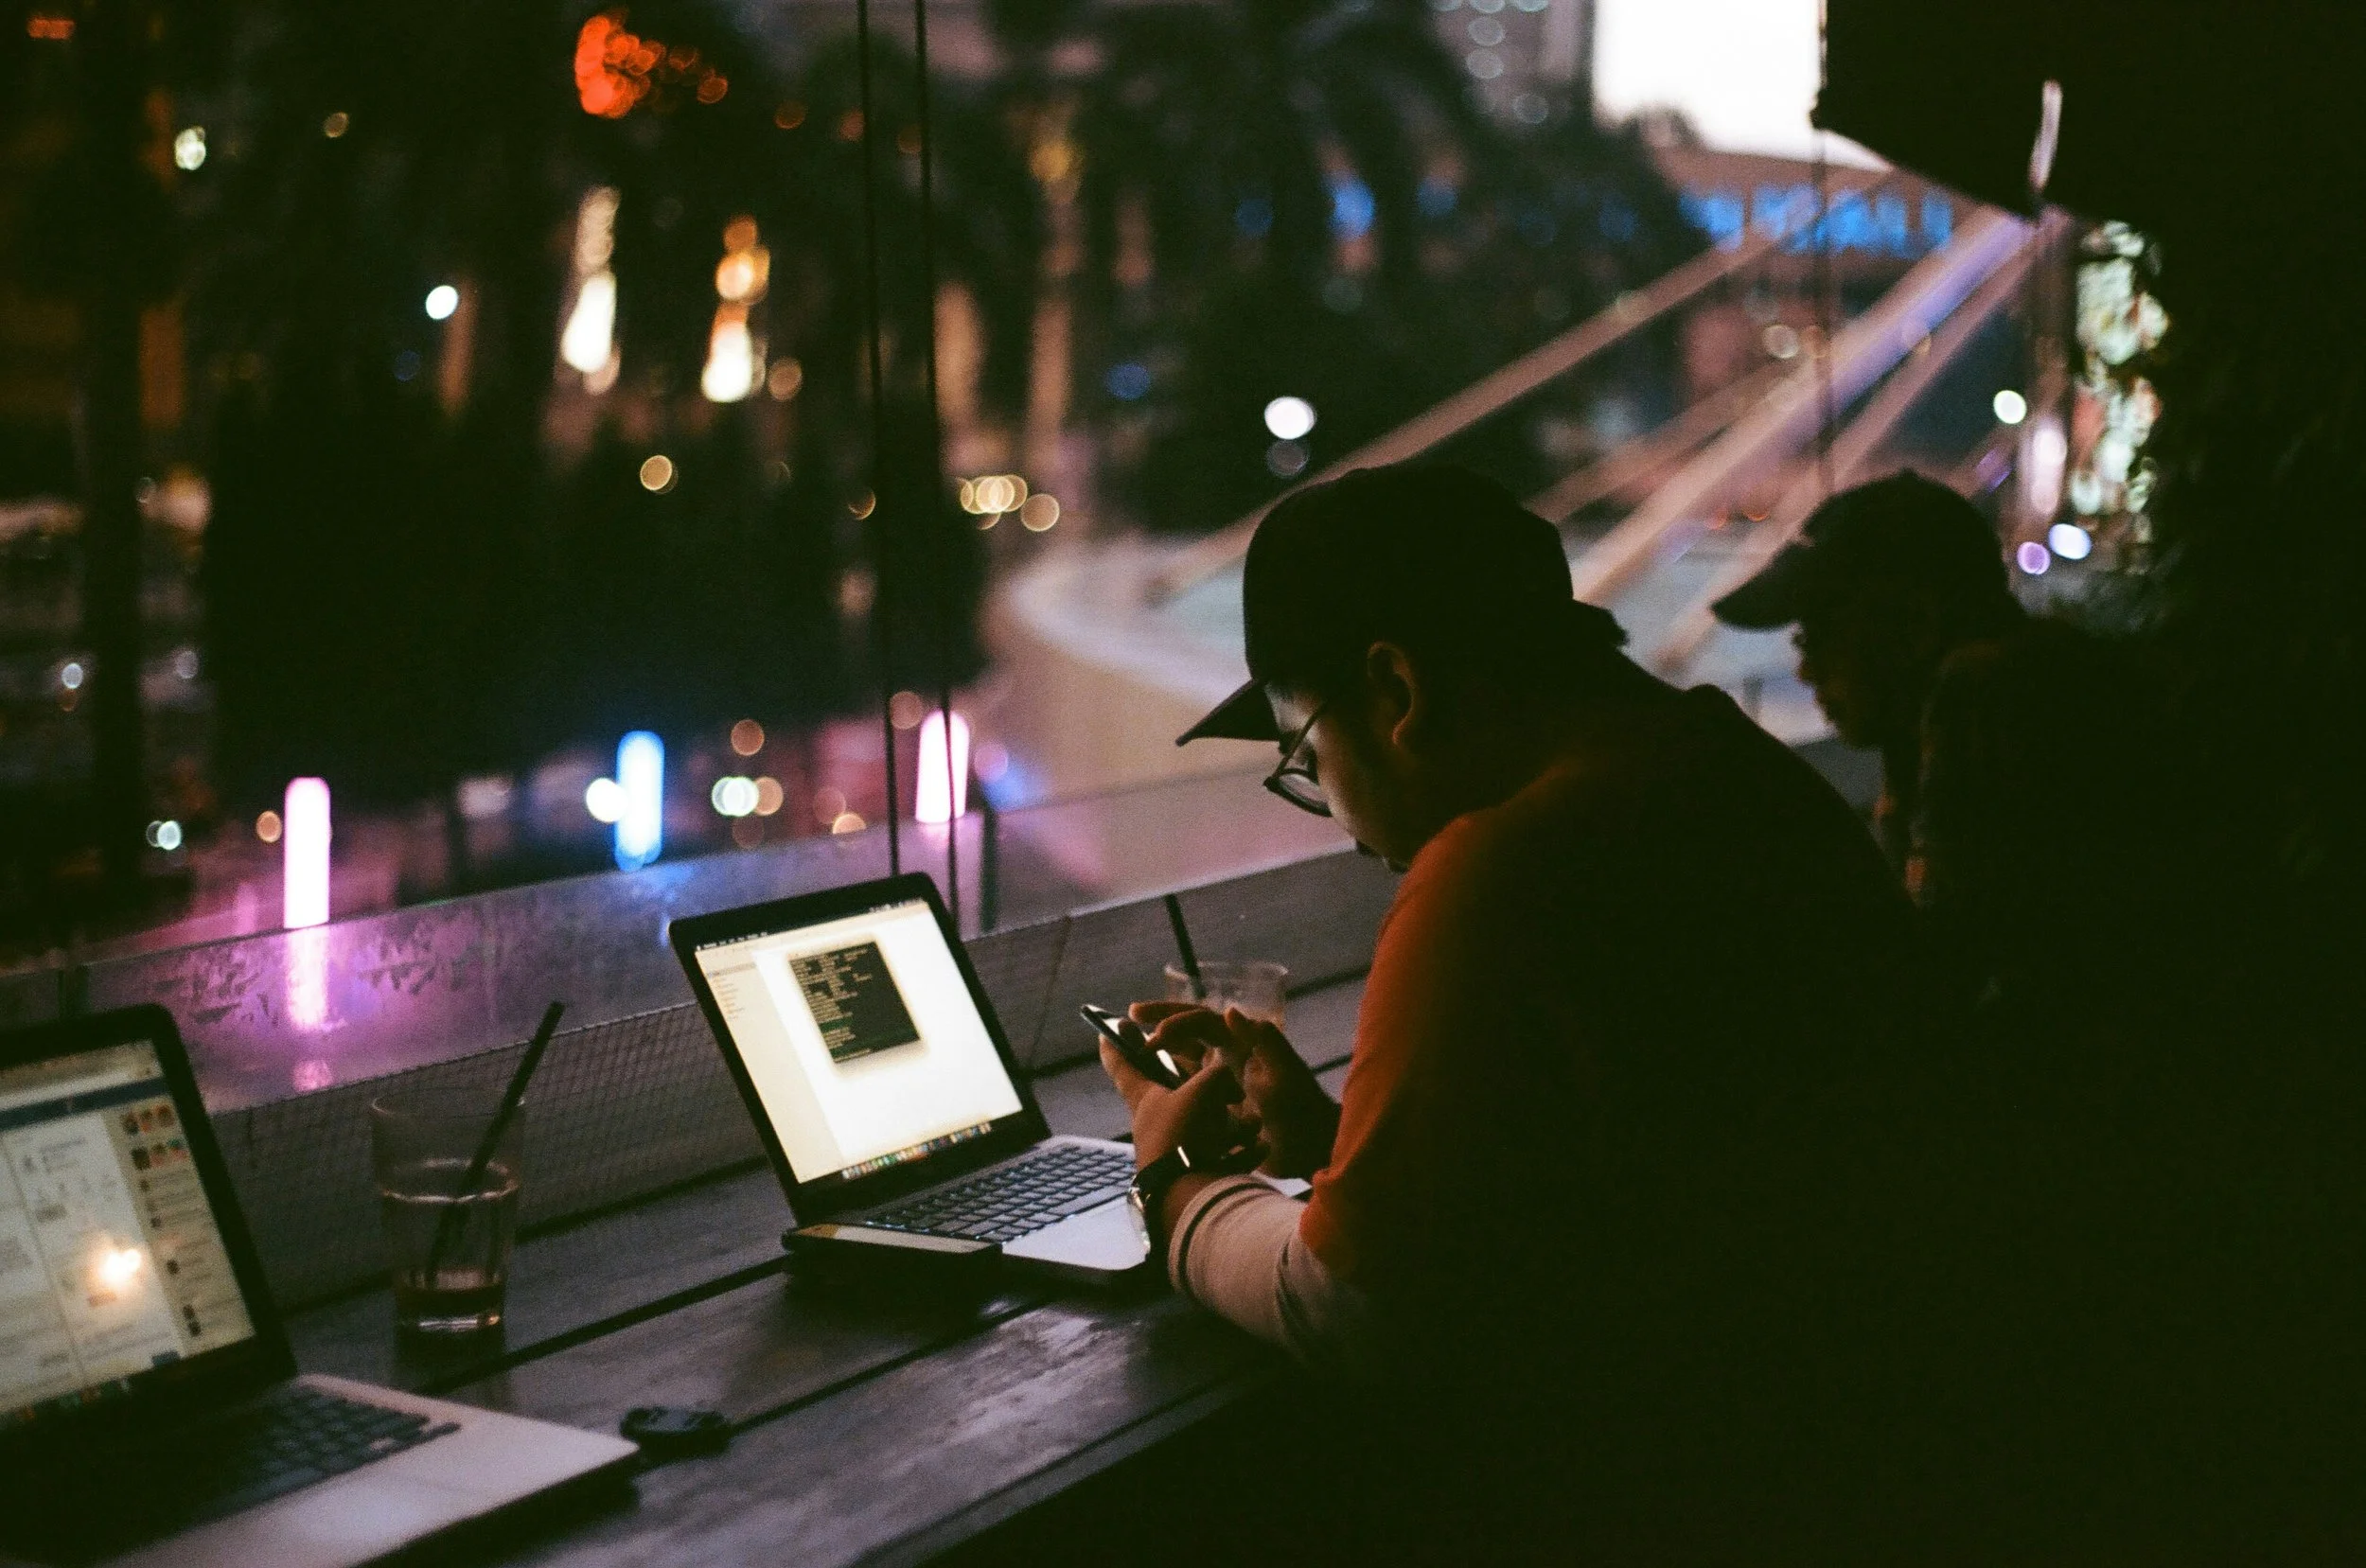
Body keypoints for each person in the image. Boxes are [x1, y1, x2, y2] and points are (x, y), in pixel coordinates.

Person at [1098, 462, 1939, 1555]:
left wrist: (1176, 1185)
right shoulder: (1741, 779)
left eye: (1304, 755)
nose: (1343, 826)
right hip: (1866, 1446)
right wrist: (1346, 1146)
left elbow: (1354, 1313)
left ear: (1396, 692)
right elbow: (1618, 1162)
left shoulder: (1500, 871)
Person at [1710, 469, 2027, 892]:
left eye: (1819, 638)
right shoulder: (1935, 749)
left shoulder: (1995, 736)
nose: (1806, 672)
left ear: (1914, 628)